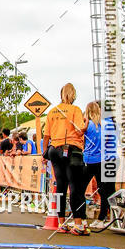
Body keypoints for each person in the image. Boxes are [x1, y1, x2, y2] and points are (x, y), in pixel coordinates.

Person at [42, 83, 88, 235]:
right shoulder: (75, 110)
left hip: (54, 149)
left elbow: (46, 136)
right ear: (73, 95)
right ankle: (78, 224)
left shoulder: (52, 111)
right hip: (71, 148)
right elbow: (80, 130)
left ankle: (61, 223)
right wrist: (86, 123)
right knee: (75, 187)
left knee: (60, 185)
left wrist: (45, 153)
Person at [82, 102, 116, 229]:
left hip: (90, 160)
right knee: (105, 190)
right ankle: (103, 218)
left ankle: (81, 219)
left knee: (80, 188)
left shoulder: (88, 125)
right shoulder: (106, 124)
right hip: (104, 159)